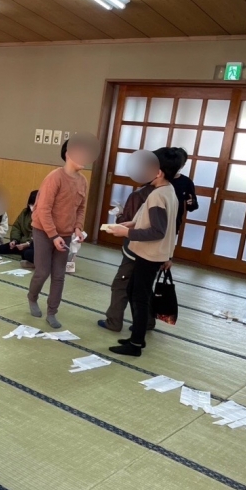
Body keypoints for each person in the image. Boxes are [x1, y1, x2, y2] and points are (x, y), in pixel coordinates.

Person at [106, 147, 183, 357]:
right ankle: (136, 338)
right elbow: (155, 221)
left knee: (139, 297)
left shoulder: (157, 196)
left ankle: (136, 344)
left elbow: (157, 230)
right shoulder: (168, 190)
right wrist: (130, 225)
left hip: (149, 255)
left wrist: (126, 232)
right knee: (133, 291)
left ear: (158, 172)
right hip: (152, 254)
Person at [27, 137, 94, 329]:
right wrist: (53, 236)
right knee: (42, 272)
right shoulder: (54, 177)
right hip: (43, 230)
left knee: (59, 275)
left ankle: (52, 312)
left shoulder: (83, 181)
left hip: (64, 233)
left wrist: (78, 227)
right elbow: (43, 210)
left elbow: (81, 208)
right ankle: (32, 297)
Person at [97, 180, 157, 333]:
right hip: (155, 251)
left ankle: (114, 321)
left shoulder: (139, 195)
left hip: (135, 250)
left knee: (121, 285)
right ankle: (148, 321)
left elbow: (126, 222)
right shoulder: (169, 193)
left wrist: (119, 214)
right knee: (145, 286)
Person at [170, 147, 199, 236]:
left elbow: (192, 206)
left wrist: (192, 202)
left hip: (174, 222)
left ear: (183, 165)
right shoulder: (159, 178)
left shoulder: (186, 182)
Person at [10, 190, 37, 267]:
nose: (32, 206)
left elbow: (36, 235)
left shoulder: (42, 215)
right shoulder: (25, 213)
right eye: (31, 204)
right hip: (22, 241)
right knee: (2, 248)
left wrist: (27, 244)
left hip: (33, 244)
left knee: (26, 253)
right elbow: (16, 227)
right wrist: (14, 240)